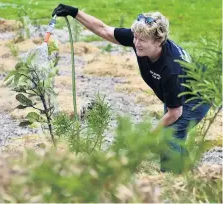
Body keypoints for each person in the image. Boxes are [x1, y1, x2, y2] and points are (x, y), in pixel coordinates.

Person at [52, 4, 210, 173]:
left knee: (168, 136)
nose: (136, 43)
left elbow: (174, 113)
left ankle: (173, 182)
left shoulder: (170, 69)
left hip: (198, 97)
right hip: (178, 91)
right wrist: (75, 13)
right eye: (135, 38)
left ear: (158, 41)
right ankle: (187, 175)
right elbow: (104, 30)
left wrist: (148, 135)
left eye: (142, 40)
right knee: (170, 136)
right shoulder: (140, 38)